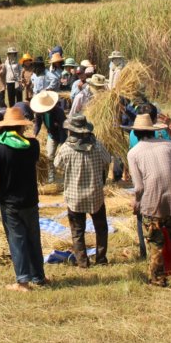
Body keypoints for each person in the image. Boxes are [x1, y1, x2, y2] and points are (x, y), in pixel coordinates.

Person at [0, 106, 46, 291]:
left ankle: (23, 282)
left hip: (11, 203)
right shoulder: (33, 145)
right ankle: (39, 277)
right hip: (31, 200)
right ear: (22, 127)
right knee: (33, 238)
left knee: (17, 240)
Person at [127, 114, 171, 287]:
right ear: (153, 130)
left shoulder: (133, 153)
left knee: (155, 244)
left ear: (136, 133)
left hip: (151, 205)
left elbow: (139, 187)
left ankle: (157, 280)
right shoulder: (169, 145)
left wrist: (137, 202)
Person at [54, 114, 113, 268]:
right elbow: (108, 160)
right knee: (101, 228)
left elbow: (58, 167)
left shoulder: (65, 149)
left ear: (71, 131)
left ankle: (82, 262)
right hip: (95, 194)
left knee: (77, 231)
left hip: (75, 198)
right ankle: (101, 259)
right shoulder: (98, 146)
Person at [30, 90, 66, 185]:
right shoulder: (39, 111)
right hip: (51, 135)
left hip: (62, 135)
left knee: (63, 156)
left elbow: (63, 129)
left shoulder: (59, 112)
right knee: (50, 156)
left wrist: (62, 144)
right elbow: (38, 124)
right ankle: (51, 176)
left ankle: (65, 177)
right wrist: (34, 134)